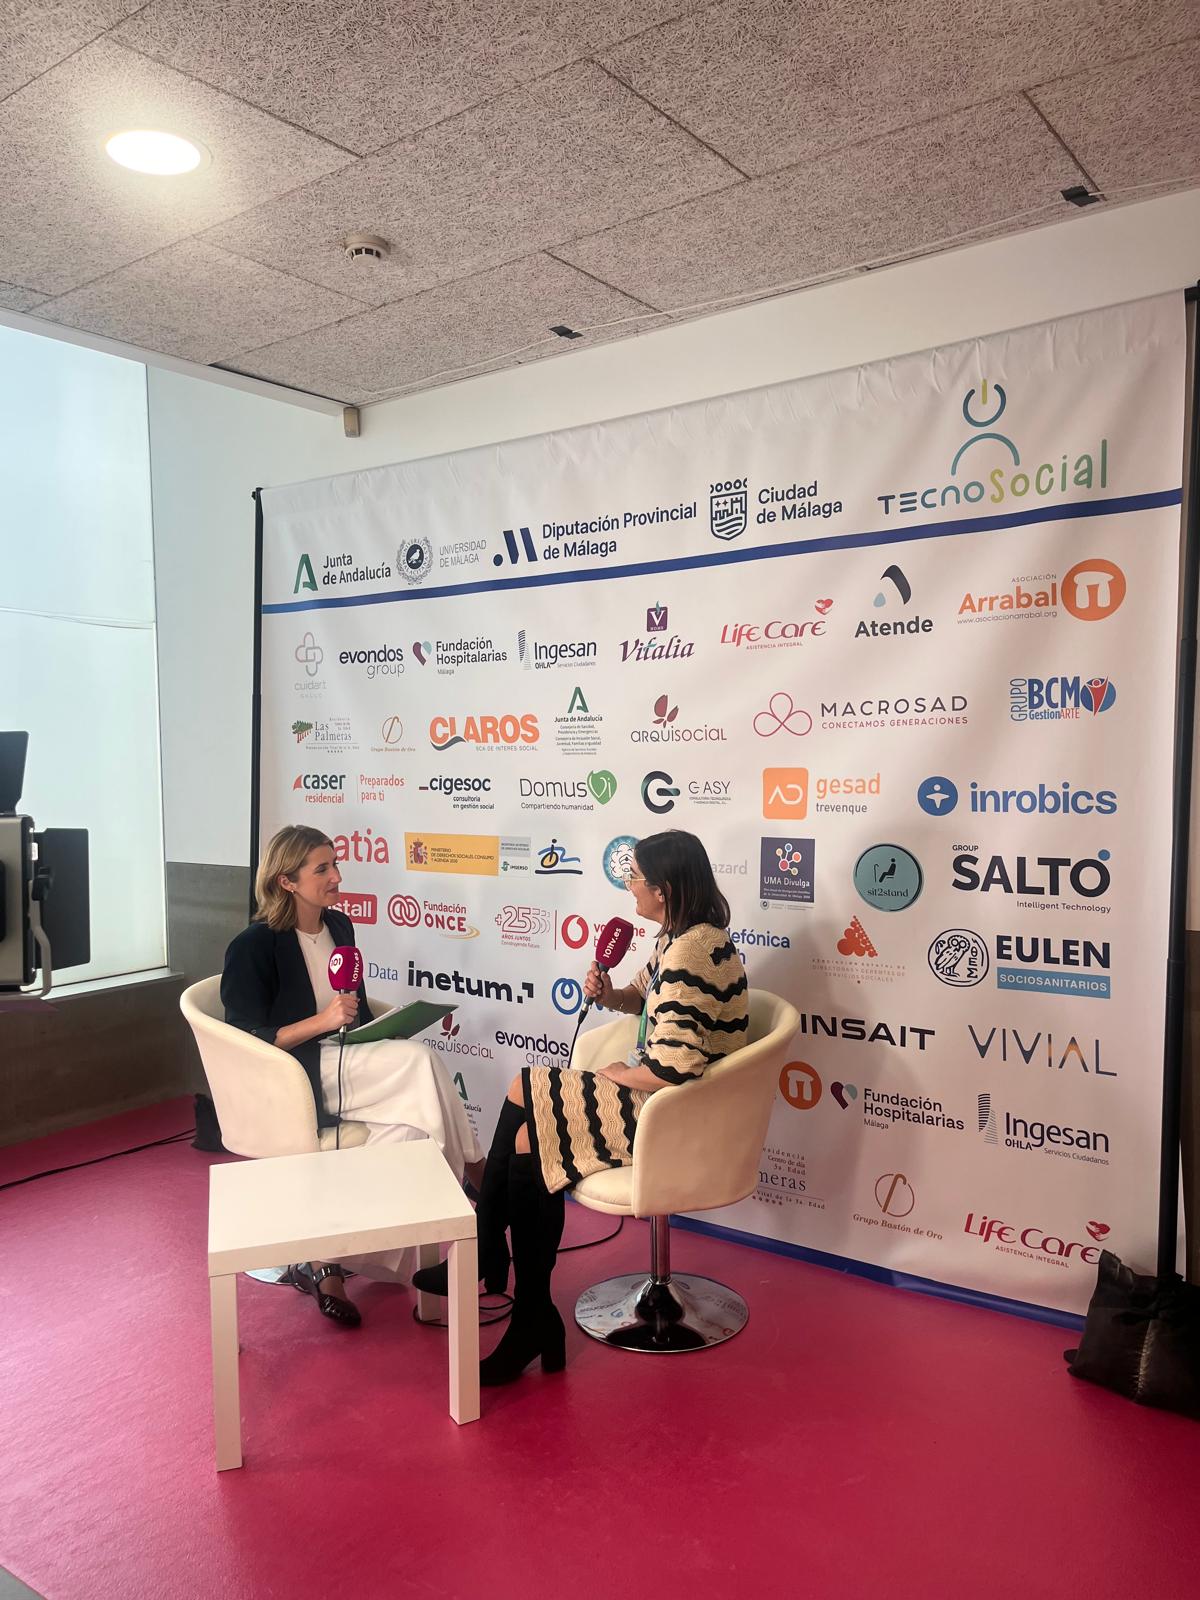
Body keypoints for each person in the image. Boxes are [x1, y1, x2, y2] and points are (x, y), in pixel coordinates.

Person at [413, 829, 749, 1384]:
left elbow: (676, 1065)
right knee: (527, 1119)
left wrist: (616, 1074)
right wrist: (610, 993)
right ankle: (519, 1295)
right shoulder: (680, 937)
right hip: (660, 1098)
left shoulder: (692, 951)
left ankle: (501, 1272)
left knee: (525, 1102)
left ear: (663, 890)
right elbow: (643, 997)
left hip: (674, 1112)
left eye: (635, 878)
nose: (628, 887)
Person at [221, 824, 485, 1327]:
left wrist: (379, 1028)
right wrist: (321, 1023)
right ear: (286, 881)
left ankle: (331, 1261)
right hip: (296, 1075)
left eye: (335, 864)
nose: (337, 877)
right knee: (421, 1062)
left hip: (349, 1058)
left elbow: (354, 1009)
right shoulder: (253, 945)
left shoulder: (340, 927)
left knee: (410, 1134)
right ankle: (477, 1181)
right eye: (322, 869)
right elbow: (244, 1039)